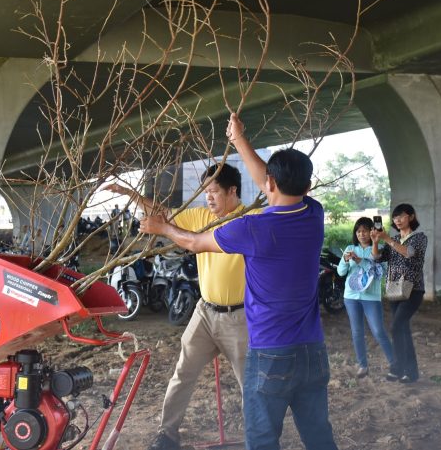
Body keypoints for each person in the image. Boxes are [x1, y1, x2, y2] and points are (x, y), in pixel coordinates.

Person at [140, 112, 338, 450]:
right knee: (319, 436)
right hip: (312, 352)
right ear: (307, 188)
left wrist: (163, 229)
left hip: (271, 352)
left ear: (270, 184)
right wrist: (239, 140)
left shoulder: (253, 227)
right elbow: (271, 183)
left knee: (261, 439)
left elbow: (193, 242)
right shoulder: (312, 214)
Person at [104, 164, 258, 450]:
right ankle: (167, 435)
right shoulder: (201, 216)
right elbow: (163, 214)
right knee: (182, 373)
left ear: (232, 191)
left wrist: (162, 227)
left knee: (249, 383)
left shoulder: (250, 219)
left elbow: (182, 236)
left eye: (213, 192)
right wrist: (129, 193)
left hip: (238, 317)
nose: (208, 198)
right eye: (205, 192)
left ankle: (258, 438)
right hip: (204, 312)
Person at [370, 203, 428, 384]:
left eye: (401, 216)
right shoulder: (393, 238)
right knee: (402, 329)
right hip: (395, 288)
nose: (398, 220)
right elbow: (377, 258)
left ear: (411, 217)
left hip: (413, 289)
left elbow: (408, 253)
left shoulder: (419, 237)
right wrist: (375, 241)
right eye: (395, 218)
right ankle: (410, 373)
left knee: (396, 327)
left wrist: (387, 239)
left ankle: (397, 368)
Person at [338, 217, 394, 379]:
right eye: (358, 231)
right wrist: (345, 260)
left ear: (372, 231)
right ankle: (362, 366)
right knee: (357, 332)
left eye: (365, 230)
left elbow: (380, 273)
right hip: (351, 296)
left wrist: (360, 261)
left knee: (378, 330)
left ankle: (394, 363)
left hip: (371, 297)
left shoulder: (381, 249)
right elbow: (341, 273)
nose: (361, 234)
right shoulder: (350, 248)